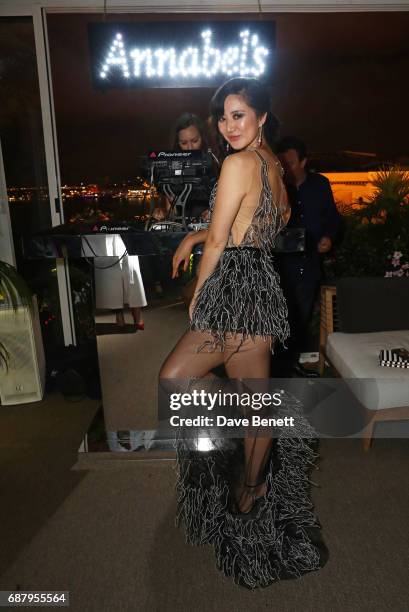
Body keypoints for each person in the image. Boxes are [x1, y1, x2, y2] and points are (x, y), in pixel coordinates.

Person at [159, 78, 328, 589]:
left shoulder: (236, 163)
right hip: (260, 286)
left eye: (238, 115)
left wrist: (198, 297)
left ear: (260, 116)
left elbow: (219, 242)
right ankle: (251, 487)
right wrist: (197, 235)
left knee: (177, 379)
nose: (228, 126)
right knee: (255, 404)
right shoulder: (275, 166)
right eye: (223, 117)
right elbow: (251, 226)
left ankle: (245, 482)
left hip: (233, 291)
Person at [274, 137, 340, 377]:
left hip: (310, 262)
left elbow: (332, 218)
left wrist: (328, 237)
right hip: (280, 263)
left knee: (301, 316)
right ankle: (278, 368)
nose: (287, 168)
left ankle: (290, 366)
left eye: (291, 163)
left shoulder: (320, 184)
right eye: (282, 164)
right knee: (280, 315)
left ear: (304, 161)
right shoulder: (276, 185)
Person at [153, 112, 213, 221]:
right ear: (177, 143)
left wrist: (213, 212)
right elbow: (172, 211)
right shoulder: (171, 168)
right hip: (182, 231)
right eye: (184, 143)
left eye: (195, 141)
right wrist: (164, 212)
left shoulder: (215, 164)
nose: (190, 148)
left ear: (203, 138)